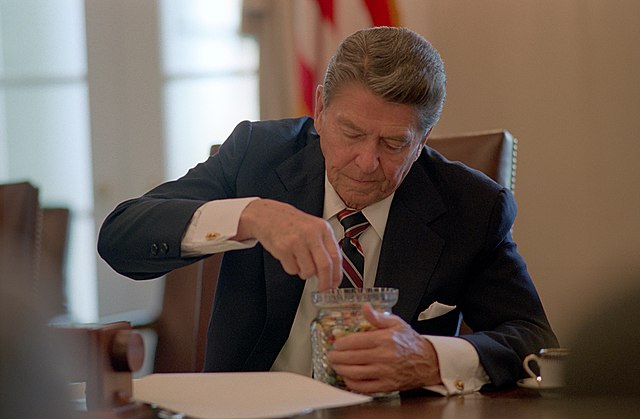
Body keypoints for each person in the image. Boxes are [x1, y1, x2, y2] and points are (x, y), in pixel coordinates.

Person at [98, 26, 558, 395]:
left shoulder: (470, 205)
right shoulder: (258, 156)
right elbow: (121, 237)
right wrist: (249, 216)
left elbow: (533, 336)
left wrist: (430, 358)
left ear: (423, 139)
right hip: (249, 410)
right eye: (351, 132)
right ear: (319, 110)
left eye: (394, 143)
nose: (366, 162)